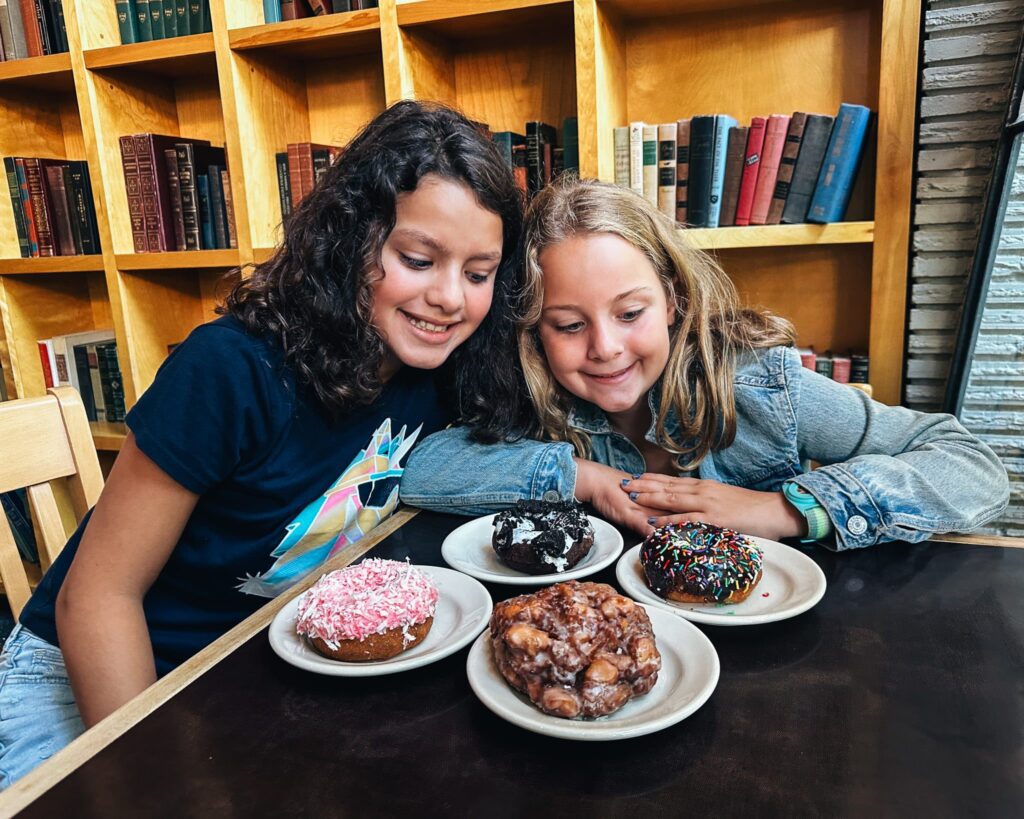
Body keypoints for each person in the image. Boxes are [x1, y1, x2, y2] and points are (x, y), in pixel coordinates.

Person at [0, 101, 524, 787]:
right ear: (351, 240)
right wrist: (153, 779)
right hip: (88, 679)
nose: (450, 296)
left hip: (242, 666)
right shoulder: (231, 369)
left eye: (478, 273)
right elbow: (95, 599)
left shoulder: (440, 367)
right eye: (418, 259)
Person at [401, 177, 1009, 548]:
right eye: (569, 325)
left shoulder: (756, 384)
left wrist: (789, 510)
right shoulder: (537, 399)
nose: (606, 348)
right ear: (534, 331)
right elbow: (424, 469)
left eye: (630, 313)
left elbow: (971, 464)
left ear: (672, 299)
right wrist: (586, 479)